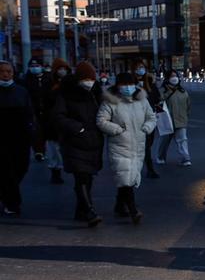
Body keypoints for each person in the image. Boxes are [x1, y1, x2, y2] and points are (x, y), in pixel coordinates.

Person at [97, 72, 157, 224]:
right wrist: (116, 129)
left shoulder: (142, 100)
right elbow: (101, 120)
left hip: (138, 145)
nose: (128, 88)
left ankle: (119, 205)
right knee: (125, 176)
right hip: (119, 145)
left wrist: (147, 127)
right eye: (124, 85)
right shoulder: (110, 101)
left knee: (129, 176)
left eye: (130, 84)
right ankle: (133, 210)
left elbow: (151, 117)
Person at [51, 62, 104, 226]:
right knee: (81, 176)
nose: (89, 82)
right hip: (74, 141)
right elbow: (58, 117)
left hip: (93, 141)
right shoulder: (65, 93)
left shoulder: (95, 93)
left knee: (87, 178)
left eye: (92, 79)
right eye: (86, 79)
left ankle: (80, 210)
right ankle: (89, 210)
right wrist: (77, 128)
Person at [0, 61, 36, 217]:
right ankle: (12, 202)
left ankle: (7, 194)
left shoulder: (21, 91)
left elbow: (29, 113)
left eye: (9, 71)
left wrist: (32, 132)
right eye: (2, 71)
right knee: (6, 170)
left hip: (20, 138)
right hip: (1, 138)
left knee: (21, 167)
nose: (6, 74)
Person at [43, 58, 72, 184]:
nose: (62, 71)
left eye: (65, 69)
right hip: (52, 121)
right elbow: (46, 101)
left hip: (67, 119)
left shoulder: (71, 82)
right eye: (60, 69)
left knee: (64, 147)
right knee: (53, 148)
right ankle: (55, 171)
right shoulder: (49, 83)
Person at [133, 60, 163, 179]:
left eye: (142, 67)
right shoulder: (130, 83)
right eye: (138, 67)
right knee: (143, 145)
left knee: (148, 144)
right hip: (135, 119)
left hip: (150, 118)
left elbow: (157, 99)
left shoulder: (150, 83)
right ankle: (148, 169)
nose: (140, 69)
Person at [156, 70, 192, 167]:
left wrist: (186, 116)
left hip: (181, 120)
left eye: (176, 76)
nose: (174, 78)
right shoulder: (162, 90)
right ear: (167, 78)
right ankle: (160, 157)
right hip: (167, 121)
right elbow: (159, 102)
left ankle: (185, 158)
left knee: (182, 140)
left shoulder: (182, 91)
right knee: (164, 141)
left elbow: (188, 105)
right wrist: (168, 92)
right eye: (172, 76)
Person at [22, 58, 48, 161]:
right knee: (36, 131)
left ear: (41, 66)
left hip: (47, 109)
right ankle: (39, 151)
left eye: (37, 66)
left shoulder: (48, 78)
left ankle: (46, 150)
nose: (34, 68)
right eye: (32, 66)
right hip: (33, 109)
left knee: (47, 131)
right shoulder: (26, 80)